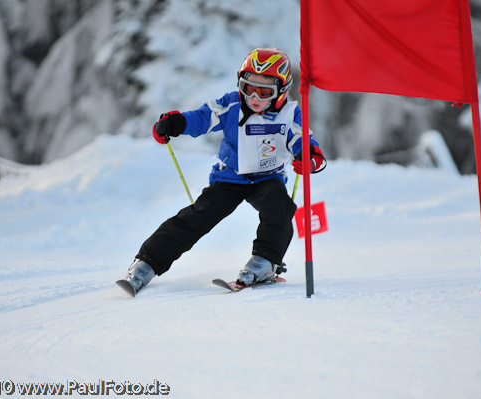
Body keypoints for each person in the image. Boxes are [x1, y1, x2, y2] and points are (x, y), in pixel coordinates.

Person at [118, 47, 325, 295]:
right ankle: (146, 264)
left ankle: (264, 263)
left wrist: (309, 158)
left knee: (280, 207)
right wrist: (176, 123)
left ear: (281, 91)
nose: (255, 98)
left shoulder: (289, 115)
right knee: (198, 216)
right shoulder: (232, 105)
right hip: (230, 177)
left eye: (264, 92)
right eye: (248, 88)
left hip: (267, 178)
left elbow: (304, 142)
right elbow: (203, 117)